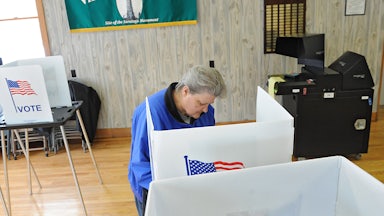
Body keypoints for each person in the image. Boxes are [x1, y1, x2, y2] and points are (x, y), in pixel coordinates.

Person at [128, 65, 227, 216]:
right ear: (185, 91)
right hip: (154, 189)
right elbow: (140, 165)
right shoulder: (149, 114)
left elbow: (206, 149)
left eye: (209, 104)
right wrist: (168, 191)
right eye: (201, 103)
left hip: (188, 186)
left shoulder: (206, 112)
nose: (206, 110)